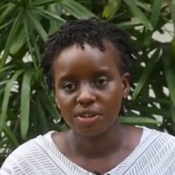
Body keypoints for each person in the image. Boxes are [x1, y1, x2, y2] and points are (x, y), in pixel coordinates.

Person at [1, 18, 175, 175]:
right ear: (55, 95)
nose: (85, 97)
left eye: (100, 81)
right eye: (69, 86)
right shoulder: (25, 166)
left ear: (124, 85)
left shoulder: (167, 157)